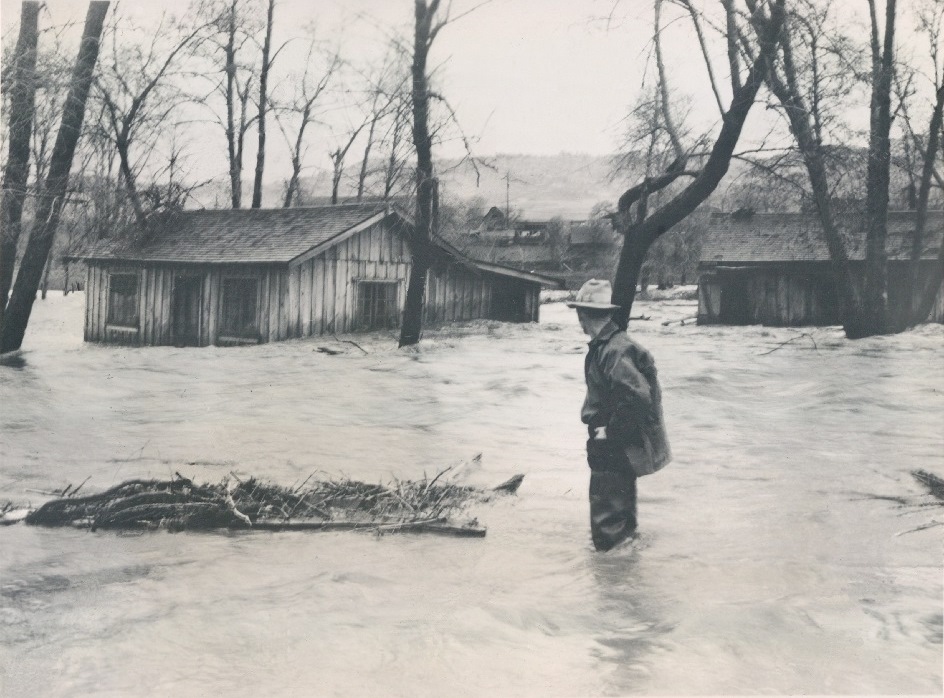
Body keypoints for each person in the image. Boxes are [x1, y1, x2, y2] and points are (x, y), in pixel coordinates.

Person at [567, 279, 671, 551]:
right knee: (622, 526)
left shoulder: (613, 349)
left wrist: (609, 432)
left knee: (607, 530)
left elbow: (637, 396)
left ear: (583, 315)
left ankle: (610, 583)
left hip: (613, 445)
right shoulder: (614, 345)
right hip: (621, 444)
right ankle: (623, 581)